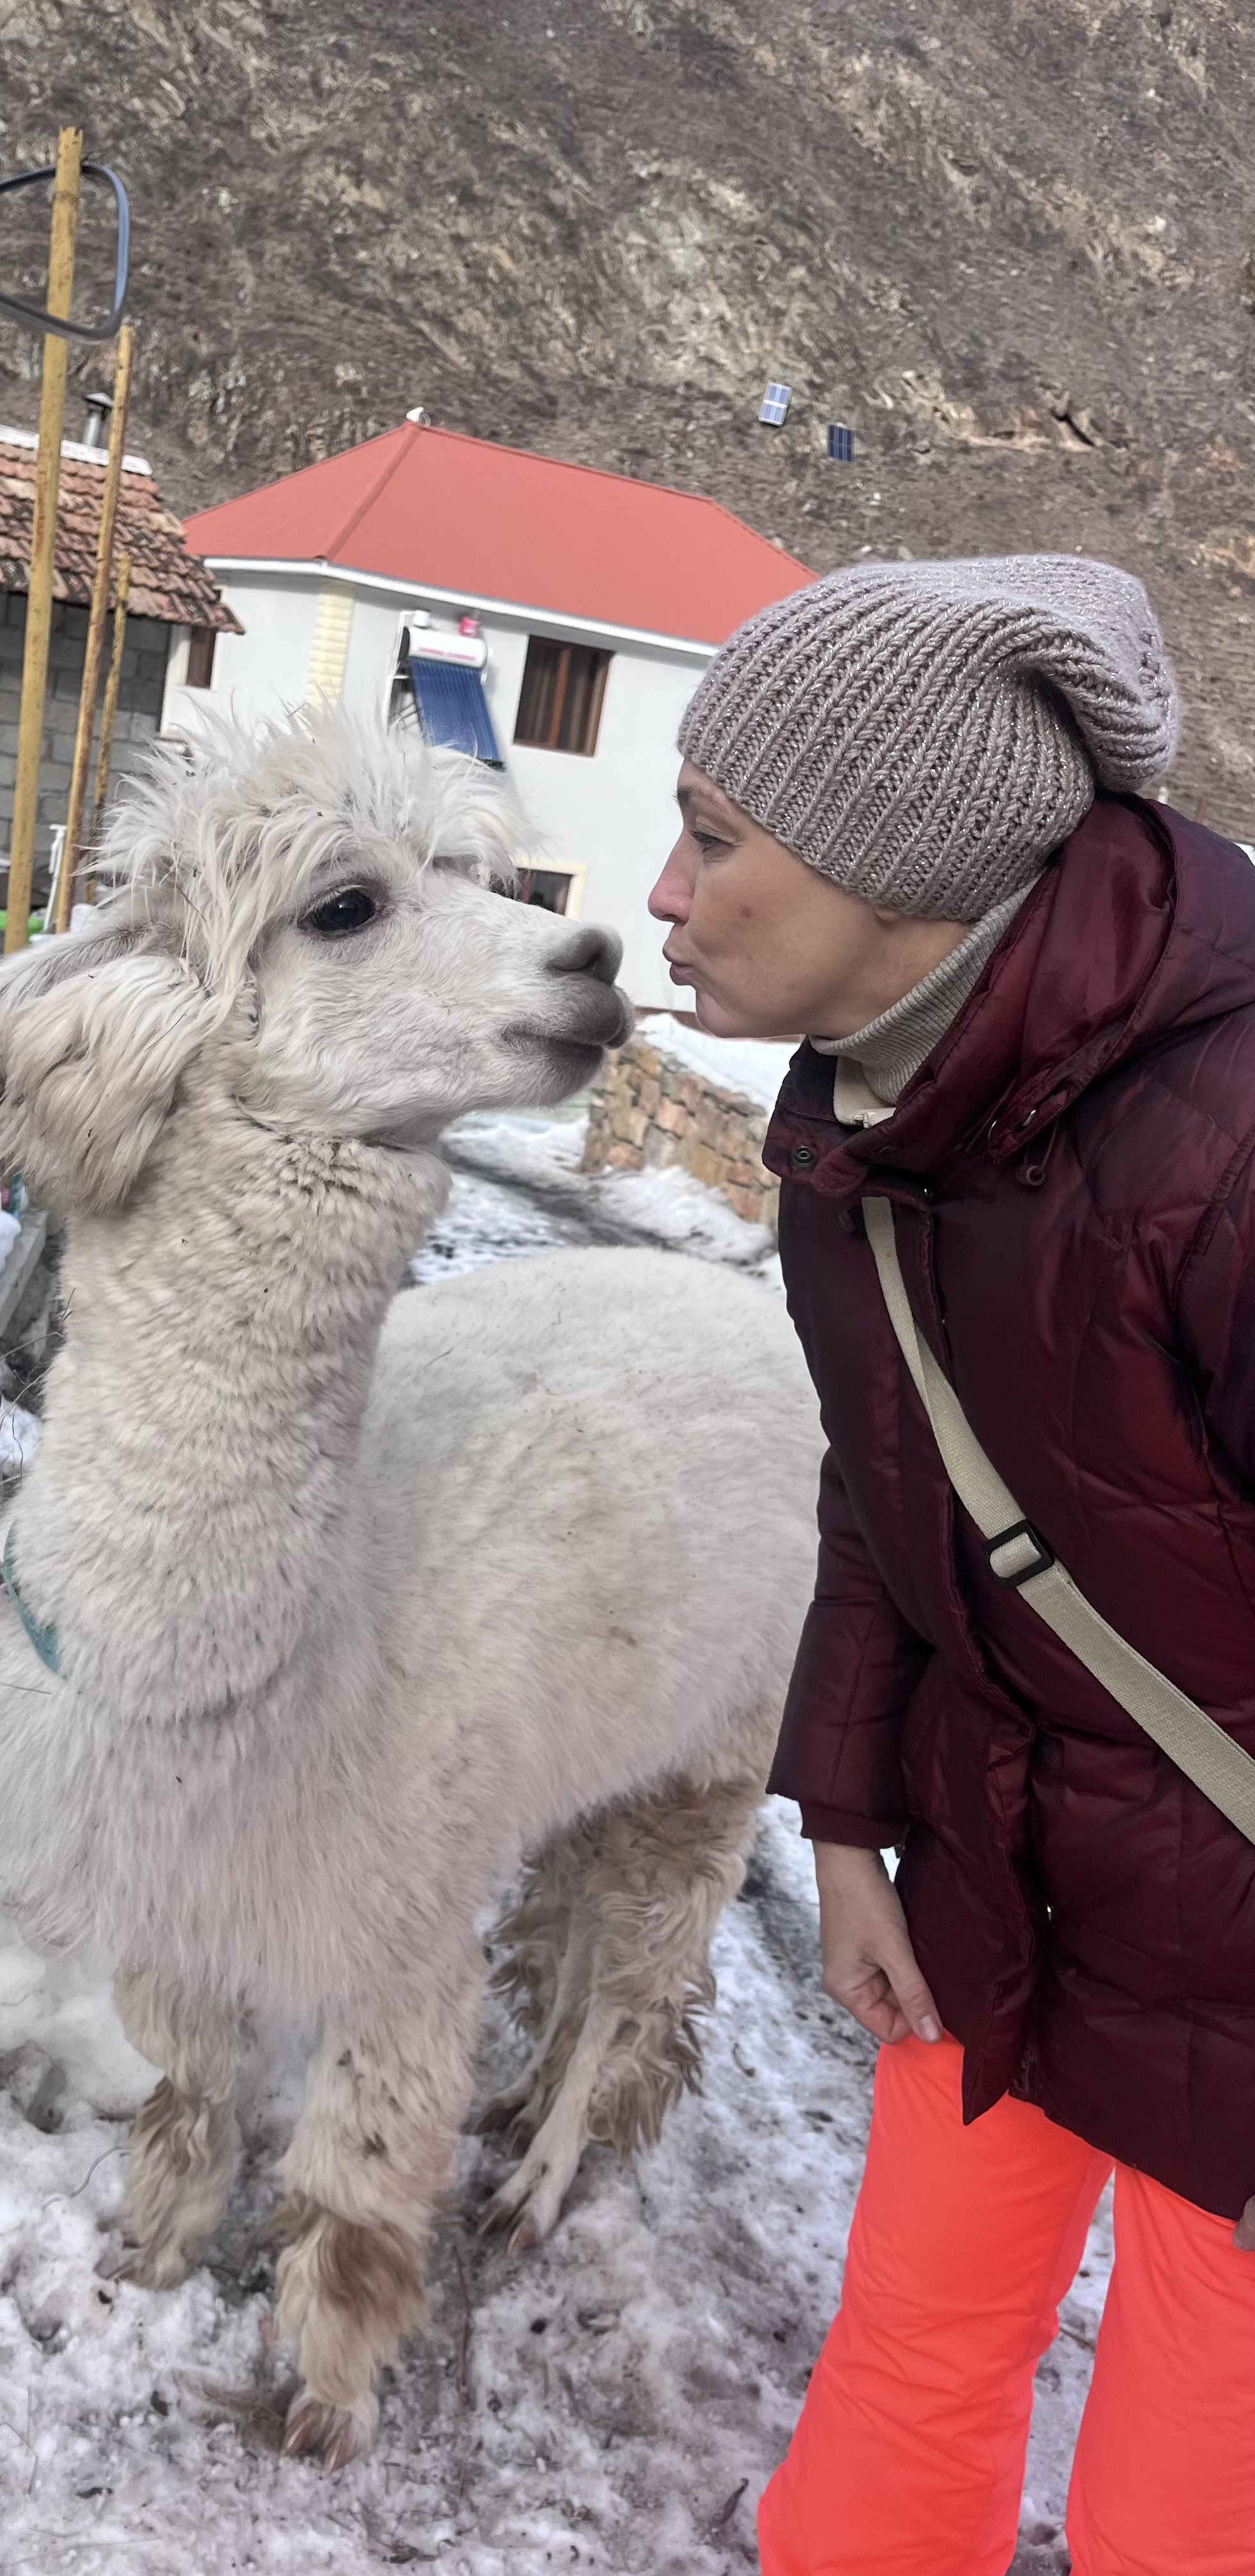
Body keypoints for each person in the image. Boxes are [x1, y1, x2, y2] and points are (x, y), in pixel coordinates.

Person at [648, 556, 1255, 2576]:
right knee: (911, 2356)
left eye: (713, 836)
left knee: (1194, 2490)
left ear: (893, 876)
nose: (661, 890)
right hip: (1005, 1889)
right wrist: (843, 1826)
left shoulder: (1224, 1144)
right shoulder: (867, 1134)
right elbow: (883, 1489)